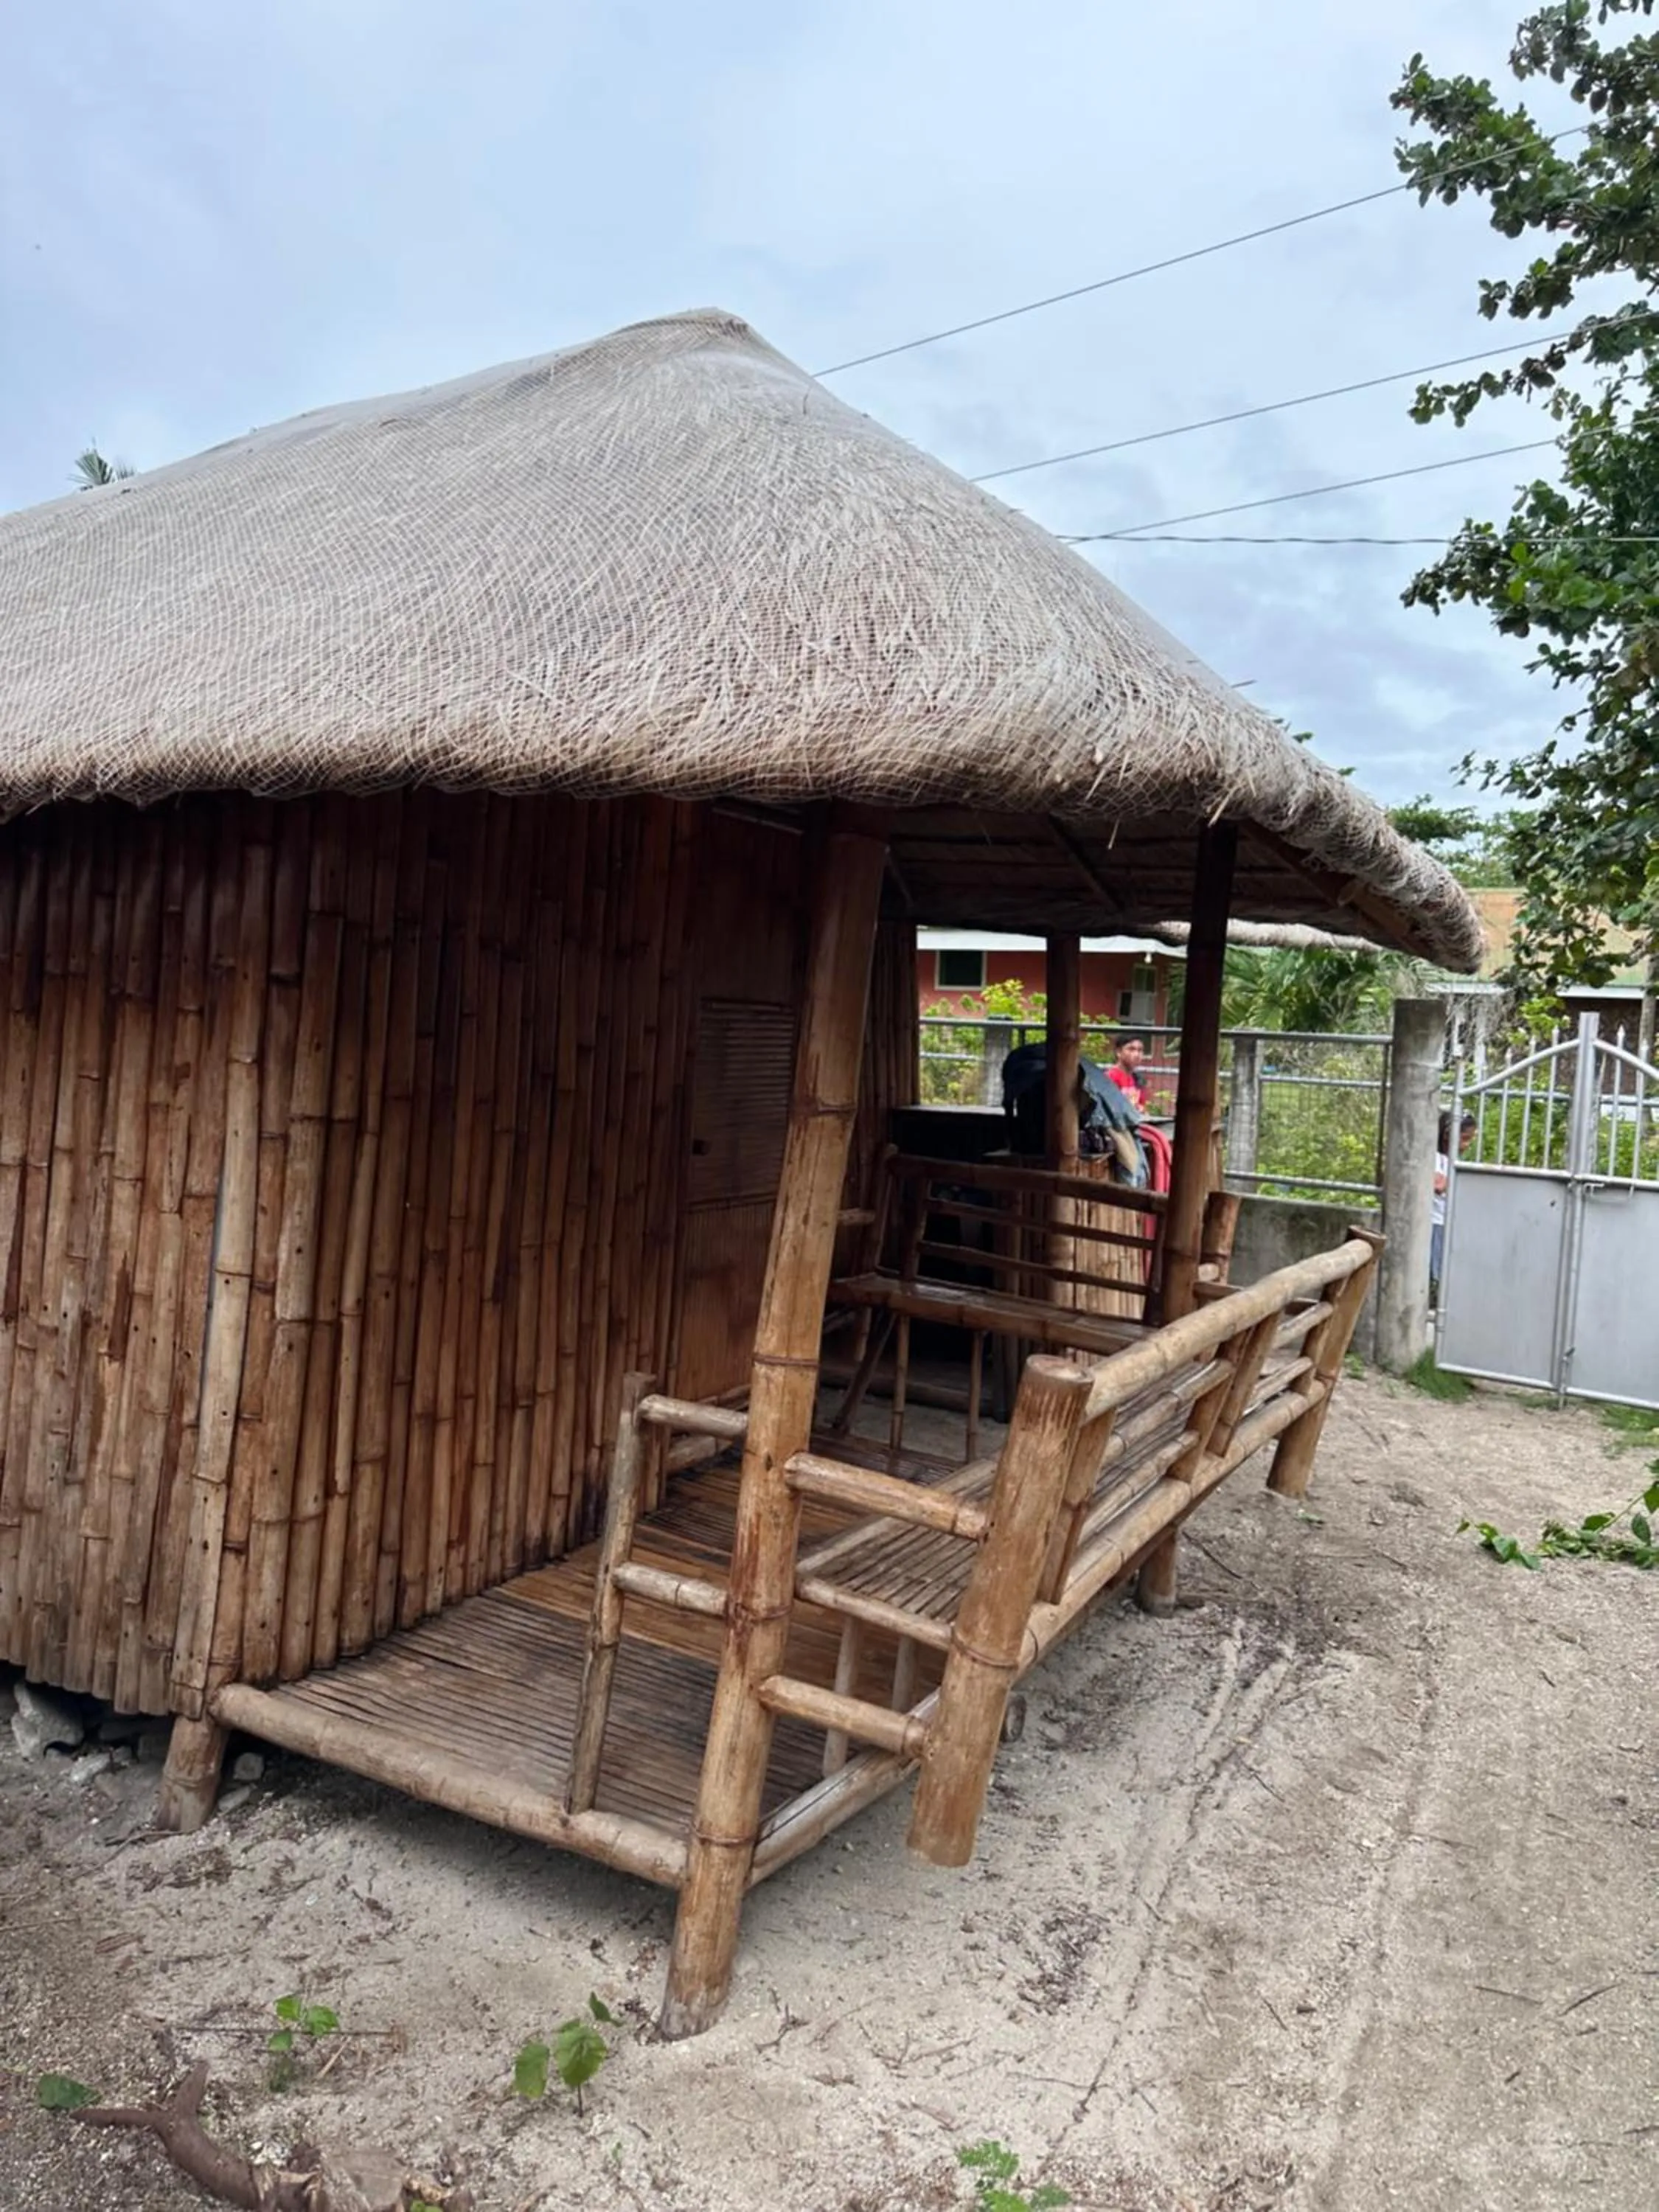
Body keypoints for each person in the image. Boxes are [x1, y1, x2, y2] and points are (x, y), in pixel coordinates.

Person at [1431, 1110, 1475, 1290]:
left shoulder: (1452, 1160)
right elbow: (1438, 1184)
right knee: (1437, 1274)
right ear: (1448, 1135)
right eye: (1465, 1138)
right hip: (1435, 1220)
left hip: (1446, 1220)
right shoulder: (1434, 1158)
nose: (1468, 1144)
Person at [1106, 1036, 1147, 1110]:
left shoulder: (1138, 1079)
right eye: (1131, 1049)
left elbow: (1142, 1107)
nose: (1137, 1055)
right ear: (1118, 1052)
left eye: (1140, 1050)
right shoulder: (1110, 1078)